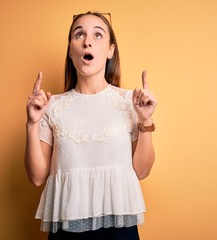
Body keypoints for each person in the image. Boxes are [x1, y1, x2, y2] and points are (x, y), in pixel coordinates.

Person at [25, 11, 157, 240]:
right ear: (70, 49)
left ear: (110, 50)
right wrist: (31, 124)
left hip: (120, 227)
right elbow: (37, 177)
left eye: (98, 35)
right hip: (66, 228)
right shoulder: (52, 106)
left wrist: (145, 120)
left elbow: (142, 171)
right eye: (79, 34)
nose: (87, 41)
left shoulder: (131, 102)